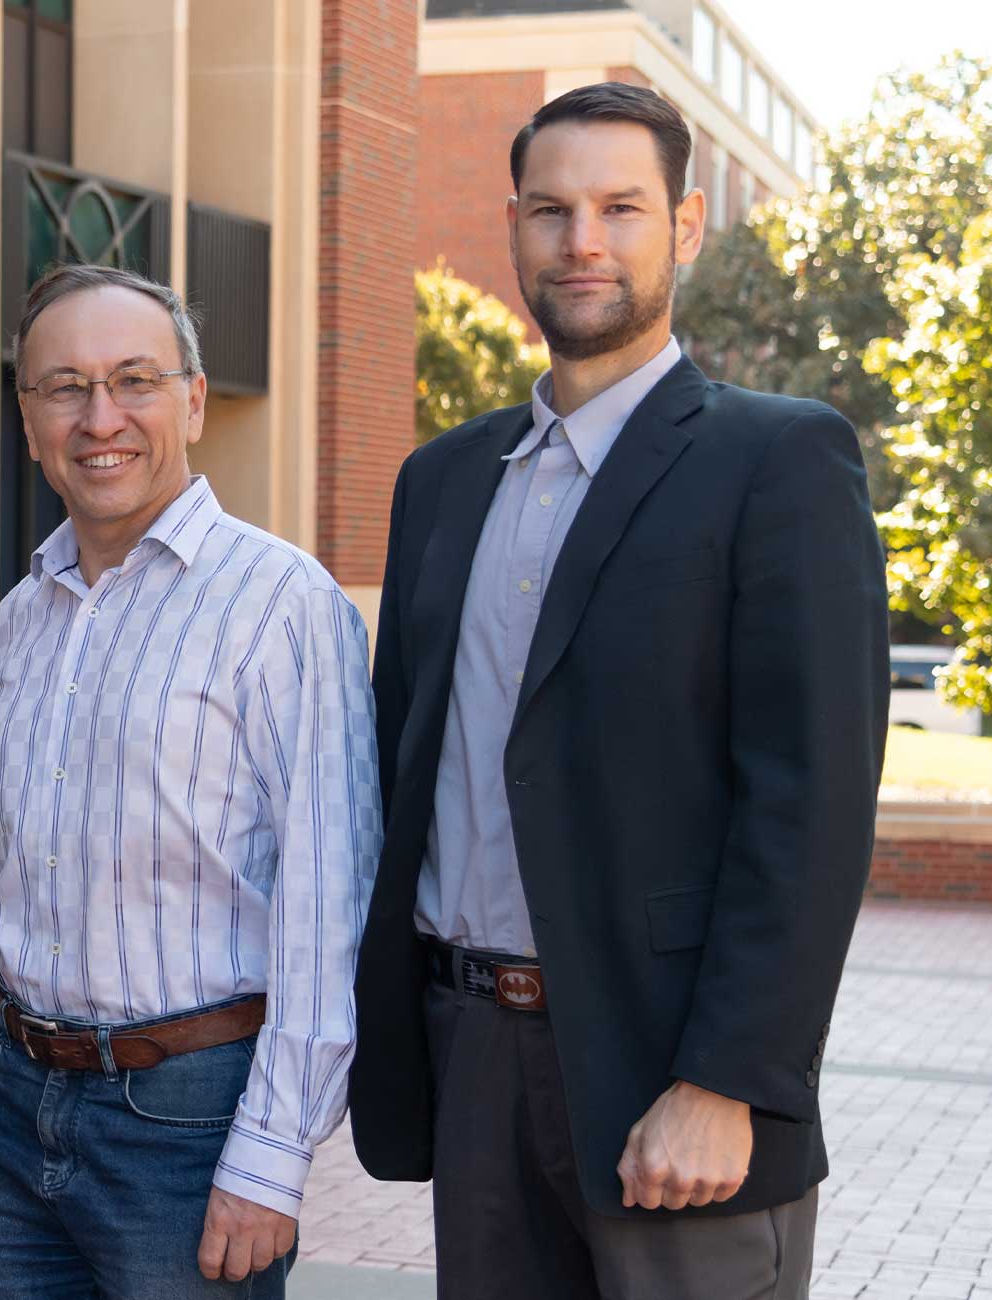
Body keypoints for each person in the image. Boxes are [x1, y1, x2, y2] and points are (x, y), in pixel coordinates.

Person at [347, 82, 888, 1300]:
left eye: (619, 208)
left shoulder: (778, 459)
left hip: (670, 1080)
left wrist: (727, 1078)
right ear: (513, 228)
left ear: (684, 227)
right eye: (550, 210)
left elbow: (810, 805)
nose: (580, 240)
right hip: (469, 1055)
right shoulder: (441, 480)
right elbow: (399, 768)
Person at [0, 263, 379, 1298]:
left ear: (193, 400)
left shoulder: (282, 604)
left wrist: (272, 1156)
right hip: (4, 1103)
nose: (99, 417)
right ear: (27, 421)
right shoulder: (20, 619)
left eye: (134, 379)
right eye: (64, 388)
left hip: (187, 1122)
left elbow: (327, 904)